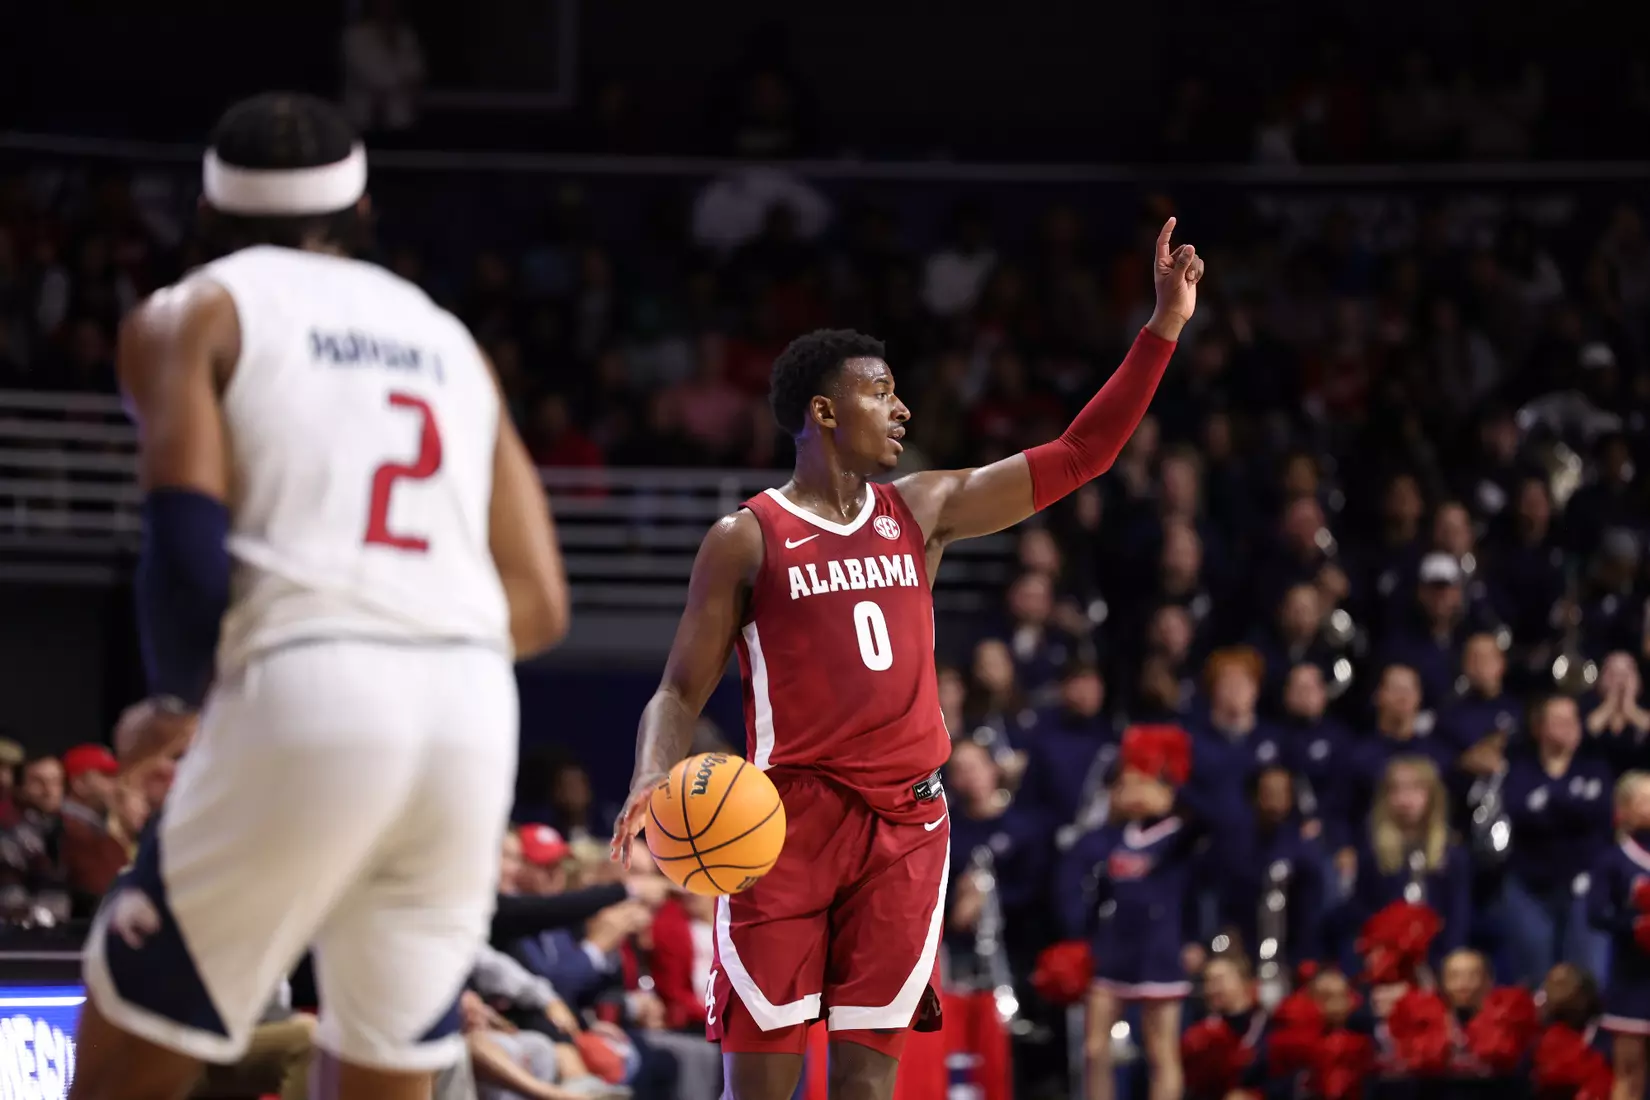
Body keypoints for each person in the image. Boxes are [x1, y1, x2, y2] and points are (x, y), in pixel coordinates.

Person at [611, 219, 1205, 1100]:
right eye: (881, 394)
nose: (902, 409)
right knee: (761, 1090)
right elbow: (677, 688)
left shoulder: (921, 509)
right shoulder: (745, 539)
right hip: (783, 827)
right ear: (823, 412)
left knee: (865, 1088)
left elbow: (1084, 454)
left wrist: (1162, 329)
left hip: (905, 830)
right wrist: (648, 776)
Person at [70, 92, 569, 1100]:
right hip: (471, 709)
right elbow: (540, 601)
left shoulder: (193, 309)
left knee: (130, 1047)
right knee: (382, 1063)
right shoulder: (448, 338)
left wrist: (176, 702)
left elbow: (184, 542)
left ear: (205, 215)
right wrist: (417, 640)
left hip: (310, 678)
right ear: (362, 210)